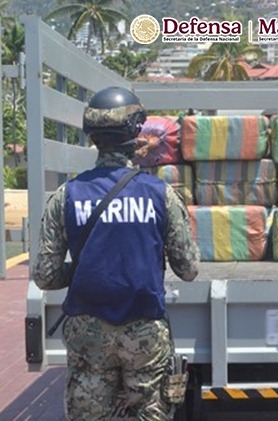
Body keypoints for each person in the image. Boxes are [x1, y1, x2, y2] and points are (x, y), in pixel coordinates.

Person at [32, 86, 200, 420]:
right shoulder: (160, 194)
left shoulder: (67, 195)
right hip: (145, 332)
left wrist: (84, 269)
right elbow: (189, 269)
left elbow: (45, 276)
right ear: (135, 133)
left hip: (88, 333)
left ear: (92, 135)